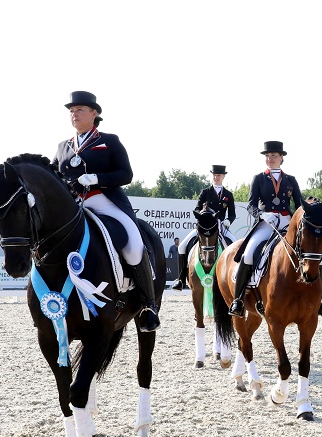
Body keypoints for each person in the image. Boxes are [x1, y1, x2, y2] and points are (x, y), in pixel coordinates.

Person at [51, 90, 160, 332]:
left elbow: (126, 174)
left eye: (79, 110)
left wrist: (95, 178)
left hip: (104, 201)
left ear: (94, 113)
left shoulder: (109, 141)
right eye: (71, 111)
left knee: (133, 245)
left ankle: (148, 306)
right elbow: (54, 177)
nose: (74, 115)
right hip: (73, 205)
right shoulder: (63, 147)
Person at [228, 141, 303, 317]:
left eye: (273, 156)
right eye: (267, 156)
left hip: (286, 223)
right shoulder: (259, 178)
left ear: (281, 158)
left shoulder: (290, 180)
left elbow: (300, 204)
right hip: (266, 223)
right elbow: (251, 205)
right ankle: (238, 300)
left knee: (307, 252)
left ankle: (319, 298)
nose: (270, 159)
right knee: (248, 254)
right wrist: (262, 215)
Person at [171, 165, 236, 291]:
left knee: (235, 247)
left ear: (223, 176)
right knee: (182, 246)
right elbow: (197, 208)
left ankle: (233, 278)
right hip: (205, 224)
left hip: (221, 226)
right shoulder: (205, 192)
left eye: (219, 175)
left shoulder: (228, 194)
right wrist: (203, 215)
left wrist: (228, 220)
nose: (216, 177)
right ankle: (180, 278)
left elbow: (232, 214)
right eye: (214, 175)